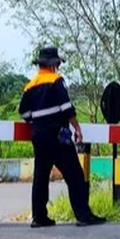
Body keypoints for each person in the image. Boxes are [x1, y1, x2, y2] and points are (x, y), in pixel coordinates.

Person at [19, 47, 106, 228]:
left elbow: (24, 113)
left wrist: (38, 122)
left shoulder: (30, 85)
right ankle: (83, 215)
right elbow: (67, 108)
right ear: (53, 64)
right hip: (57, 135)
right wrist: (77, 128)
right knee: (74, 174)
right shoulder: (56, 81)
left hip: (39, 135)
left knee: (41, 176)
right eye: (57, 63)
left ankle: (39, 217)